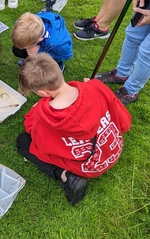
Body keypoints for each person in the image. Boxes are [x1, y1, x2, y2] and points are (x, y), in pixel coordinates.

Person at [16, 53, 131, 205]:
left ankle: (65, 176)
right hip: (113, 149)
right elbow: (125, 123)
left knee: (23, 142)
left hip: (88, 167)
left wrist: (35, 112)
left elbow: (39, 141)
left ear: (43, 93)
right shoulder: (96, 86)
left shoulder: (43, 115)